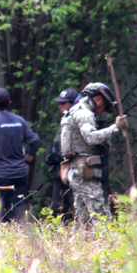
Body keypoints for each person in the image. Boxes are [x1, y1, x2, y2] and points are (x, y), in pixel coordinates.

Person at [60, 82, 128, 222]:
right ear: (98, 99)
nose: (102, 111)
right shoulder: (85, 114)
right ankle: (108, 243)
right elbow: (91, 137)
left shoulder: (73, 111)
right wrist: (115, 127)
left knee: (82, 221)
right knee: (102, 219)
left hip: (77, 171)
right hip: (85, 173)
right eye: (104, 106)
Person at [0, 87, 40, 222]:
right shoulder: (19, 120)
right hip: (19, 175)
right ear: (10, 102)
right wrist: (27, 161)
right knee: (16, 217)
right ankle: (16, 242)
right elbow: (35, 142)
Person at [45, 88, 80, 221]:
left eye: (63, 103)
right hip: (60, 173)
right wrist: (53, 157)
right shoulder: (64, 119)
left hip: (73, 173)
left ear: (73, 104)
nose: (59, 106)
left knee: (77, 210)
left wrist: (61, 157)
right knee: (57, 210)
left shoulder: (78, 120)